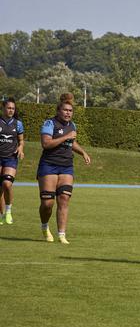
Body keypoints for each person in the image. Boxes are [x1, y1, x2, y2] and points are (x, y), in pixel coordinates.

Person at [37, 93, 91, 243]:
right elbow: (46, 144)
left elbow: (72, 143)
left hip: (66, 166)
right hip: (49, 165)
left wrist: (83, 152)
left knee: (64, 198)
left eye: (70, 111)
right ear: (58, 111)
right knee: (47, 203)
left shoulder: (72, 126)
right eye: (65, 110)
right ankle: (44, 226)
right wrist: (65, 137)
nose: (68, 113)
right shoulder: (50, 123)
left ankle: (62, 235)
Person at [0, 98, 25, 225]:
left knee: (7, 184)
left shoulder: (18, 124)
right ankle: (1, 215)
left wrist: (21, 148)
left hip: (11, 158)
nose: (11, 110)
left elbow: (21, 140)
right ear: (3, 108)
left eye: (13, 108)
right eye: (9, 108)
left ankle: (9, 211)